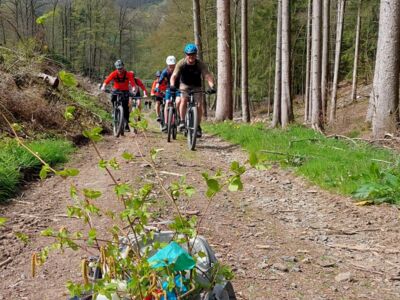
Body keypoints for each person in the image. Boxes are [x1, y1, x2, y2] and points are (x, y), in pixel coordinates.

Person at [170, 43, 215, 138]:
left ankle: (197, 126)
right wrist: (172, 85)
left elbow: (207, 75)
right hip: (184, 85)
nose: (191, 56)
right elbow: (174, 76)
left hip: (196, 86)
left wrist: (212, 86)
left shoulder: (200, 64)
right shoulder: (181, 63)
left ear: (196, 54)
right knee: (183, 100)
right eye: (189, 54)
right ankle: (182, 121)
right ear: (186, 54)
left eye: (193, 54)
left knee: (199, 104)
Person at [101, 59, 137, 132]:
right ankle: (114, 110)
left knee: (126, 108)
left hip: (125, 91)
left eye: (121, 68)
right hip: (116, 89)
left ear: (123, 67)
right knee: (112, 97)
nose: (120, 70)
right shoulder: (114, 73)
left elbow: (133, 83)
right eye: (118, 68)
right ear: (116, 68)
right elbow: (107, 80)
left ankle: (126, 124)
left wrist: (133, 89)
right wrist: (103, 86)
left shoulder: (128, 74)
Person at [155, 55, 181, 132]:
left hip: (178, 89)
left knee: (178, 102)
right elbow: (160, 80)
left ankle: (179, 117)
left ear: (175, 64)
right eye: (170, 65)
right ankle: (166, 123)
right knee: (166, 103)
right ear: (167, 65)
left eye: (173, 65)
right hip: (169, 89)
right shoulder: (165, 71)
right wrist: (157, 86)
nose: (171, 67)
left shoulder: (179, 71)